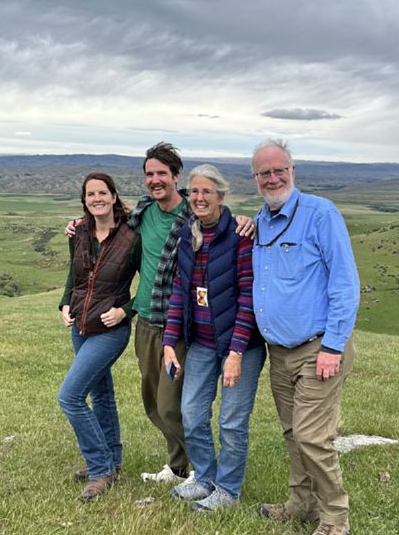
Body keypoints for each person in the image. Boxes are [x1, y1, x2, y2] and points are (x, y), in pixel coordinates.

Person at [66, 143, 254, 484]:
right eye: (149, 174)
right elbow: (108, 220)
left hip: (180, 325)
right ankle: (179, 465)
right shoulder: (142, 212)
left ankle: (200, 471)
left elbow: (219, 218)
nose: (155, 180)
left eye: (161, 174)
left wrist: (244, 221)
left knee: (172, 404)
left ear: (175, 176)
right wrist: (80, 222)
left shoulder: (191, 213)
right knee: (152, 402)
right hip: (147, 321)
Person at [250, 139, 360, 535]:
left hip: (319, 348)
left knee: (314, 436)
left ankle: (335, 516)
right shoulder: (261, 222)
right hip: (279, 352)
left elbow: (345, 283)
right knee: (293, 431)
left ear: (292, 171)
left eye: (280, 170)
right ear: (256, 179)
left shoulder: (319, 214)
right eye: (265, 173)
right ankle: (301, 502)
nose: (273, 178)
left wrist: (333, 345)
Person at [162, 165, 266, 512]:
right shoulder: (187, 235)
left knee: (232, 422)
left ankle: (228, 490)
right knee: (191, 413)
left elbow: (249, 296)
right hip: (202, 343)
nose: (199, 198)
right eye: (194, 191)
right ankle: (204, 477)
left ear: (221, 196)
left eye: (207, 191)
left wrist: (236, 351)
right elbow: (180, 291)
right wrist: (169, 341)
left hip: (241, 346)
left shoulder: (240, 236)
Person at [58, 172, 140, 502]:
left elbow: (149, 283)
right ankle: (113, 461)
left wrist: (126, 310)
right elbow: (73, 275)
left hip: (110, 330)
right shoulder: (78, 231)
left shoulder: (132, 237)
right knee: (101, 395)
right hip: (80, 325)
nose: (97, 199)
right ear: (85, 200)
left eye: (102, 193)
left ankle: (100, 468)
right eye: (90, 194)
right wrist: (65, 303)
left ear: (113, 195)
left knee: (70, 397)